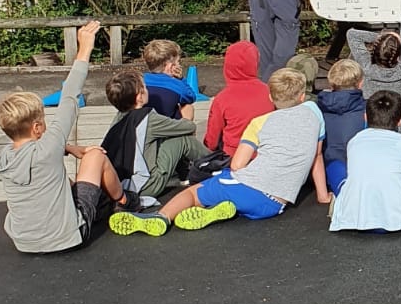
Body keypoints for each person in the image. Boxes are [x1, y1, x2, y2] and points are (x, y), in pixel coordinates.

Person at [110, 68, 328, 236]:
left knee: (193, 192)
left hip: (253, 187)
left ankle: (160, 218)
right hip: (277, 204)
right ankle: (220, 209)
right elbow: (316, 156)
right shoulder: (314, 114)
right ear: (301, 97)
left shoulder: (261, 122)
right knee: (229, 193)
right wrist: (323, 195)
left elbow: (237, 165)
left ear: (270, 98)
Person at [0, 20, 135, 253]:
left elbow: (33, 152)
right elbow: (70, 94)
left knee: (57, 179)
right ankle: (124, 201)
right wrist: (85, 49)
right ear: (37, 127)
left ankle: (97, 205)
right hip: (68, 237)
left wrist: (68, 148)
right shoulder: (49, 144)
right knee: (95, 155)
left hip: (24, 242)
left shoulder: (4, 159)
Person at [329, 91, 401, 233]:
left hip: (356, 217)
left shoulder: (355, 141)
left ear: (365, 116)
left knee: (335, 166)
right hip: (396, 218)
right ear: (400, 120)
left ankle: (343, 200)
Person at [102, 66, 204, 204]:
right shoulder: (148, 117)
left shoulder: (119, 118)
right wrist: (187, 116)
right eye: (145, 87)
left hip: (119, 185)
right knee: (183, 140)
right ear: (139, 96)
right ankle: (216, 163)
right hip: (147, 185)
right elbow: (187, 128)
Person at [346, 0, 401, 134]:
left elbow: (352, 34)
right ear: (399, 55)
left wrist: (382, 38)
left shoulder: (367, 67)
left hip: (372, 128)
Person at [199, 41, 274, 176]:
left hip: (233, 156)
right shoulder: (269, 91)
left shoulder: (222, 98)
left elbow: (212, 139)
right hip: (264, 153)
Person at [317, 58, 367, 197]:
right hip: (360, 168)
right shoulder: (368, 110)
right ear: (360, 83)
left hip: (327, 170)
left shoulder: (317, 109)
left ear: (331, 83)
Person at [141, 39, 197, 119]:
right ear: (171, 66)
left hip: (142, 123)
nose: (179, 65)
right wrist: (181, 79)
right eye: (178, 62)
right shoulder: (176, 85)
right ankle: (187, 129)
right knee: (187, 106)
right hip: (168, 127)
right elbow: (191, 97)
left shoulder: (139, 80)